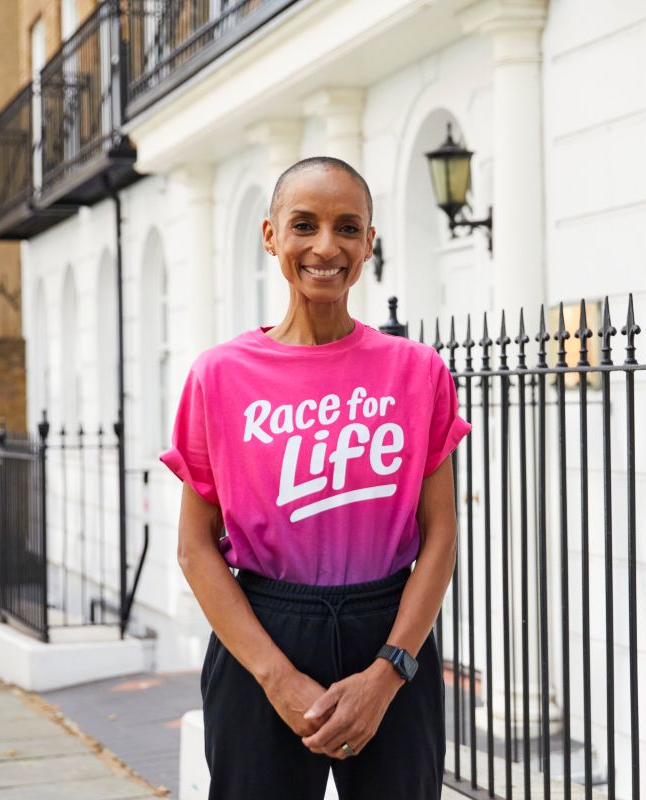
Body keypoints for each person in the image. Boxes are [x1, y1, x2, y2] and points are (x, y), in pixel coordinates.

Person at [160, 156, 470, 799]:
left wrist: (389, 671)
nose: (326, 247)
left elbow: (440, 536)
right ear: (271, 236)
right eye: (304, 225)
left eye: (347, 228)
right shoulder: (219, 377)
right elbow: (194, 547)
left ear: (369, 242)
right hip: (264, 628)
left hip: (388, 628)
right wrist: (276, 676)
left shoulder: (417, 372)